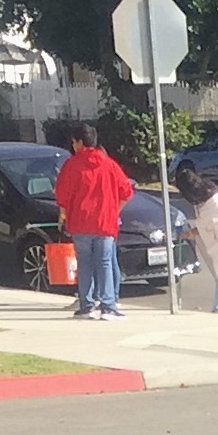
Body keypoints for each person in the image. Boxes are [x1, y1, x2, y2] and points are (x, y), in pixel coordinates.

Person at [53, 125, 130, 320]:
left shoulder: (71, 165)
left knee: (85, 263)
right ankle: (108, 306)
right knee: (104, 263)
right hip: (105, 222)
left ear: (79, 142)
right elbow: (126, 191)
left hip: (80, 222)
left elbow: (62, 194)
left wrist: (63, 215)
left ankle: (86, 305)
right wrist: (115, 211)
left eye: (74, 142)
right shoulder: (110, 164)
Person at [175, 162, 218, 315]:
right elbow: (205, 223)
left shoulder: (214, 200)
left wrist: (196, 231)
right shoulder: (203, 195)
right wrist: (195, 231)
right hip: (213, 238)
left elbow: (214, 221)